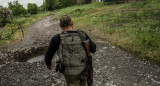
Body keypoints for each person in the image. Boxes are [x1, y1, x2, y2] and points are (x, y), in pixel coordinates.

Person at [45, 14, 96, 86]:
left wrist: (48, 64)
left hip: (69, 73)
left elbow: (48, 55)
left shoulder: (57, 38)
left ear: (60, 25)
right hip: (83, 70)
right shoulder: (82, 35)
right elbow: (93, 49)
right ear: (72, 23)